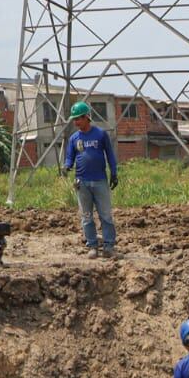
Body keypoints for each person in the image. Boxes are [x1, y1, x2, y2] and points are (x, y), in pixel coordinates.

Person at [61, 101, 118, 260]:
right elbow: (70, 157)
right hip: (82, 182)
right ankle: (92, 246)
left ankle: (108, 246)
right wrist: (66, 167)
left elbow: (110, 155)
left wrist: (114, 173)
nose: (76, 122)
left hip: (99, 181)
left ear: (87, 117)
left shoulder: (100, 134)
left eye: (78, 118)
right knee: (86, 216)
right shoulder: (74, 138)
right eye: (74, 119)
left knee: (105, 215)